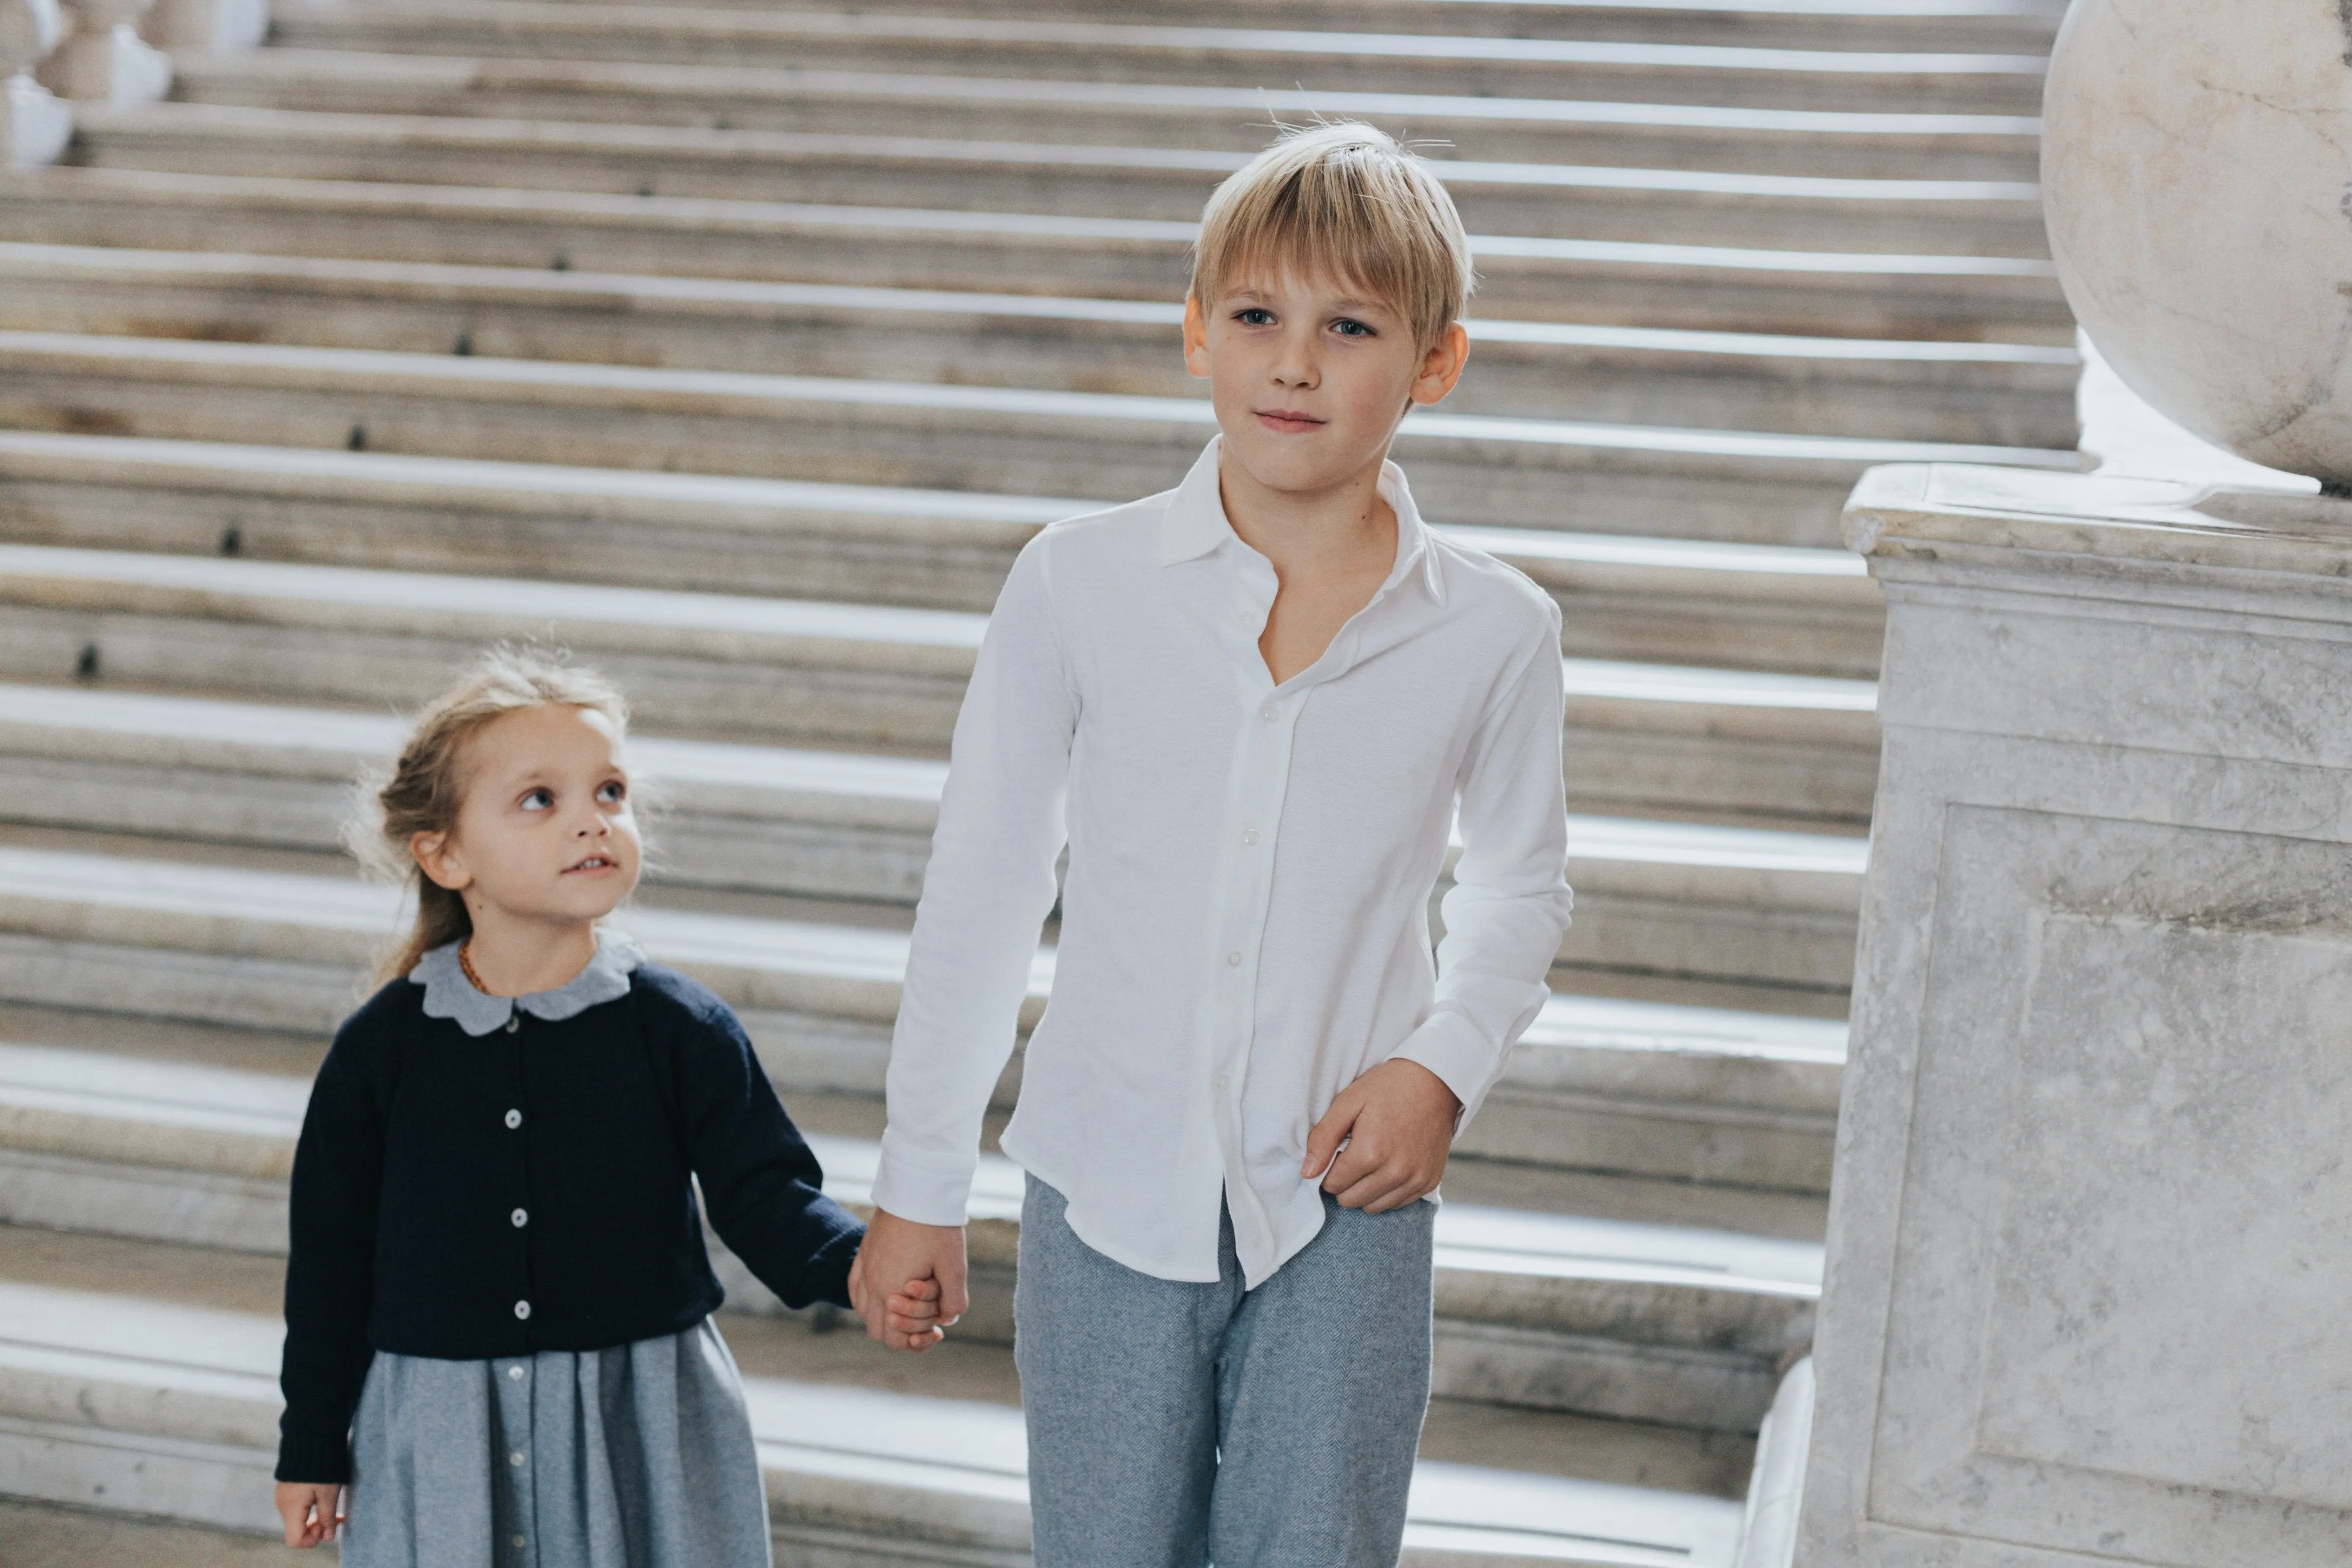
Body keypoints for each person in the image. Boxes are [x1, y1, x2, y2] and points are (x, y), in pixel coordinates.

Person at [849, 123, 1576, 1567]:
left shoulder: (1495, 630)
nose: (1292, 363)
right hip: (1102, 1189)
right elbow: (985, 884)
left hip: (1342, 1209)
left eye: (1348, 326)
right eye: (1255, 316)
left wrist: (1442, 1065)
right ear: (1196, 335)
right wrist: (919, 1179)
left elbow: (1519, 883)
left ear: (1434, 362)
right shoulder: (1076, 583)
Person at [270, 648, 935, 1566]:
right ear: (445, 852)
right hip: (442, 1424)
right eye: (540, 799)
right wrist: (312, 1442)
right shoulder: (382, 1051)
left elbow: (766, 1192)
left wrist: (859, 1266)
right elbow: (330, 1264)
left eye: (610, 792)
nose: (592, 820)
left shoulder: (680, 1029)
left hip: (639, 1415)